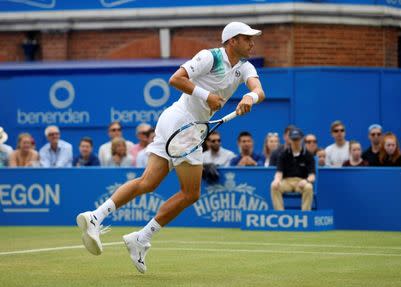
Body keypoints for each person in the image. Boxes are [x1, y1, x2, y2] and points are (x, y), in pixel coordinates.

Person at [76, 21, 264, 274]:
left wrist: (249, 98)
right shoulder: (210, 57)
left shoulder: (245, 66)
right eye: (247, 38)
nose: (252, 42)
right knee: (191, 192)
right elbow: (176, 79)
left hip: (182, 125)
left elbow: (258, 90)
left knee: (148, 182)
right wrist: (206, 96)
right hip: (182, 122)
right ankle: (141, 238)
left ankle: (97, 216)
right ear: (232, 41)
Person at [270, 128, 315, 211]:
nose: (295, 142)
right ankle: (280, 213)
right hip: (287, 181)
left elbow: (312, 176)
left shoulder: (308, 155)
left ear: (301, 139)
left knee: (309, 187)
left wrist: (306, 181)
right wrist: (276, 180)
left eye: (297, 139)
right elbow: (279, 172)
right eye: (293, 139)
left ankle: (305, 214)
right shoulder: (283, 154)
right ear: (290, 140)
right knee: (274, 186)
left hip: (301, 181)